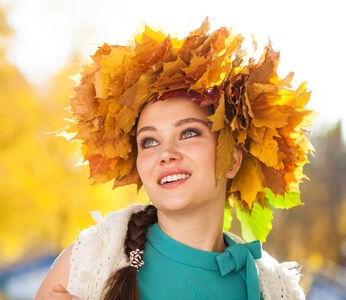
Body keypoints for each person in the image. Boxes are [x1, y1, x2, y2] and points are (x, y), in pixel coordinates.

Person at [35, 18, 313, 300]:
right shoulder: (88, 263)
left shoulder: (277, 288)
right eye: (149, 141)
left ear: (231, 160)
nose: (166, 154)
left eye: (189, 133)